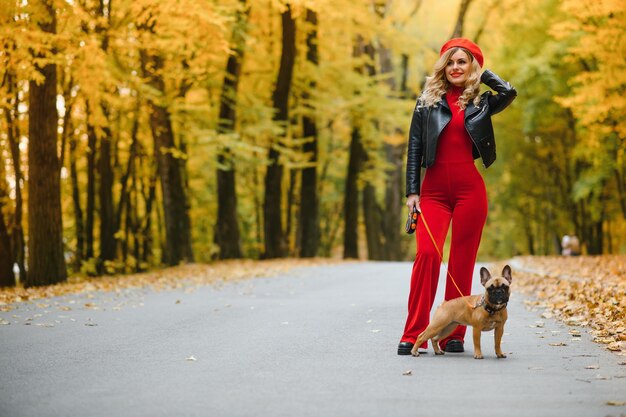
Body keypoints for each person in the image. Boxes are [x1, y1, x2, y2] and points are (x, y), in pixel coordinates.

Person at [398, 38, 517, 355]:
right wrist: (412, 192)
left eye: (462, 61)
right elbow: (413, 149)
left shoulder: (481, 103)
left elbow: (509, 93)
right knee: (428, 256)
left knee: (463, 263)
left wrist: (483, 73)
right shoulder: (427, 102)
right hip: (433, 192)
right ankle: (414, 333)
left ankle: (454, 335)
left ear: (472, 67)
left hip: (470, 192)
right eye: (450, 62)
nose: (455, 67)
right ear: (442, 67)